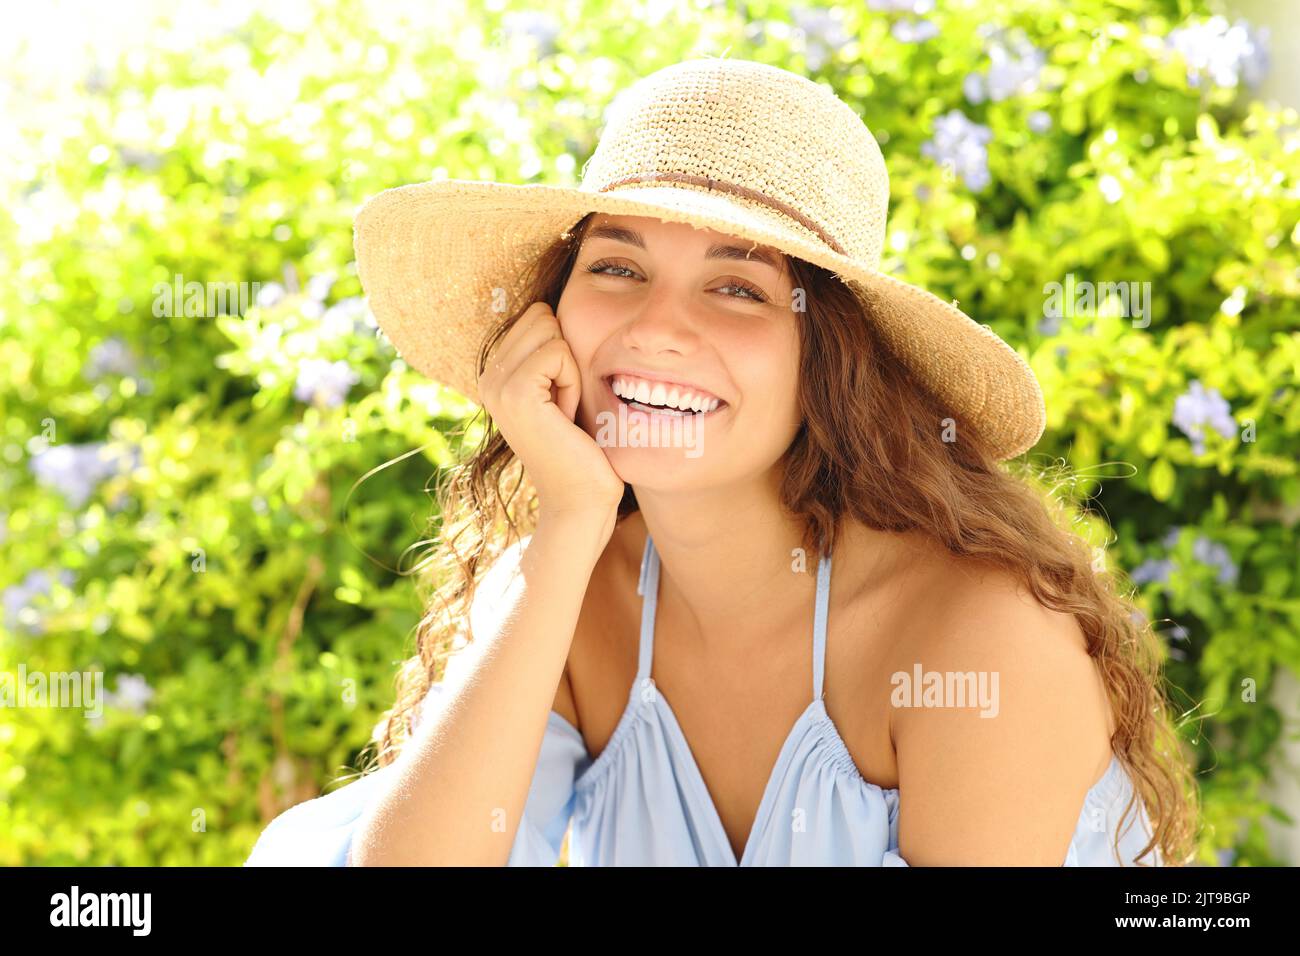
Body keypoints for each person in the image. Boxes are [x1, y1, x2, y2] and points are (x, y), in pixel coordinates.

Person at [245, 57, 1196, 867]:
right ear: (551, 316)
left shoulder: (974, 640)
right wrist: (569, 521)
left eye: (738, 288)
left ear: (827, 358)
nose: (657, 329)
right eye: (616, 268)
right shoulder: (571, 598)